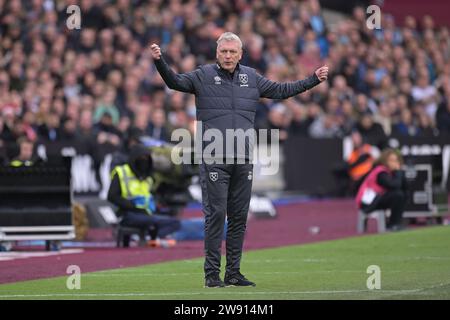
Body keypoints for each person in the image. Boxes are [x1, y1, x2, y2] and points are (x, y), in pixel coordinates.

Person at [150, 32, 328, 288]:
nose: (228, 55)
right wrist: (159, 61)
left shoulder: (252, 77)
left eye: (233, 51)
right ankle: (212, 275)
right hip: (214, 158)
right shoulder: (203, 75)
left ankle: (233, 273)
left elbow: (281, 91)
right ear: (217, 52)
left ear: (240, 54)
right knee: (215, 215)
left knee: (239, 217)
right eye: (224, 51)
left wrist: (313, 80)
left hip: (243, 158)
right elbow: (174, 82)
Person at [108, 144, 181, 245]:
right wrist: (132, 206)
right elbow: (111, 196)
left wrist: (161, 209)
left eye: (147, 158)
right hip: (128, 213)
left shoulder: (147, 177)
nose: (144, 161)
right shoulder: (121, 173)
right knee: (156, 221)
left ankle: (151, 238)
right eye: (142, 158)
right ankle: (150, 238)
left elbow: (148, 198)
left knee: (175, 222)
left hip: (146, 213)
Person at [356, 148, 408, 231]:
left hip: (377, 199)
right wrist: (398, 172)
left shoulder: (390, 172)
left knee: (403, 193)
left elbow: (405, 186)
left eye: (396, 160)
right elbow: (394, 185)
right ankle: (393, 224)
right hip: (367, 203)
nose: (395, 163)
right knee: (397, 194)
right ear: (385, 161)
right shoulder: (381, 172)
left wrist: (399, 172)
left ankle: (396, 222)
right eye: (391, 160)